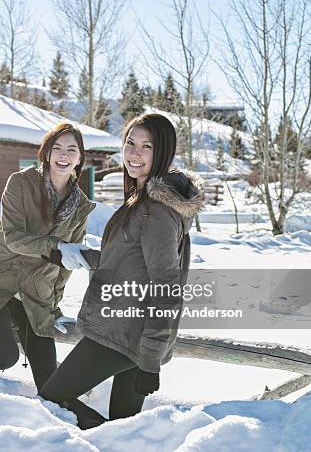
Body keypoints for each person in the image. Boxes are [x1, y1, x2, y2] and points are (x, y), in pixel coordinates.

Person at [39, 113, 205, 429]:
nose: (134, 153)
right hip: (132, 335)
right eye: (130, 142)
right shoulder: (143, 199)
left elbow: (166, 285)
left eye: (147, 146)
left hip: (122, 335)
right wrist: (74, 255)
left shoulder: (156, 209)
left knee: (51, 399)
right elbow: (131, 260)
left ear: (163, 152)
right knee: (123, 428)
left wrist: (150, 361)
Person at [0, 122, 96, 391]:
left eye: (71, 150)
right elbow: (13, 237)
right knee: (5, 356)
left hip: (35, 292)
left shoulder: (81, 206)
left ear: (80, 159)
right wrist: (57, 247)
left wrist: (54, 308)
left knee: (49, 378)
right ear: (46, 153)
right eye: (57, 148)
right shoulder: (21, 183)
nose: (63, 155)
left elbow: (67, 265)